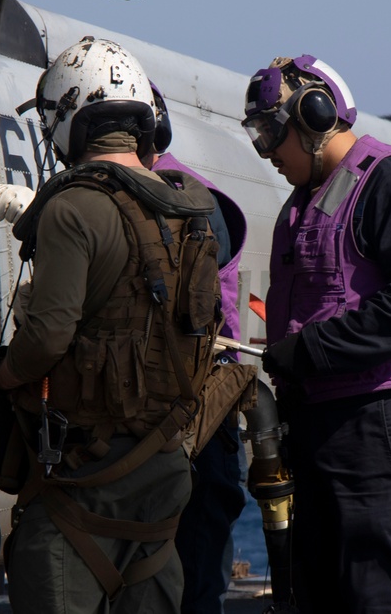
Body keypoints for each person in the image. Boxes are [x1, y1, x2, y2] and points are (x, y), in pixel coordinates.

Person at [0, 36, 222, 614]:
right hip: (163, 470)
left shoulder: (72, 208)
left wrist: (4, 377)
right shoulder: (190, 209)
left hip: (88, 473)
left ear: (69, 122)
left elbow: (46, 338)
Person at [241, 55, 391, 613]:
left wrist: (311, 349)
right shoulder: (304, 204)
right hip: (327, 427)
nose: (266, 151)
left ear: (316, 116)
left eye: (272, 132)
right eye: (258, 136)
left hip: (384, 424)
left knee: (384, 591)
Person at [147, 82, 249, 614]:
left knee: (191, 575)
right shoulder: (177, 191)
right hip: (195, 412)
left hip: (194, 413)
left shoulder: (179, 198)